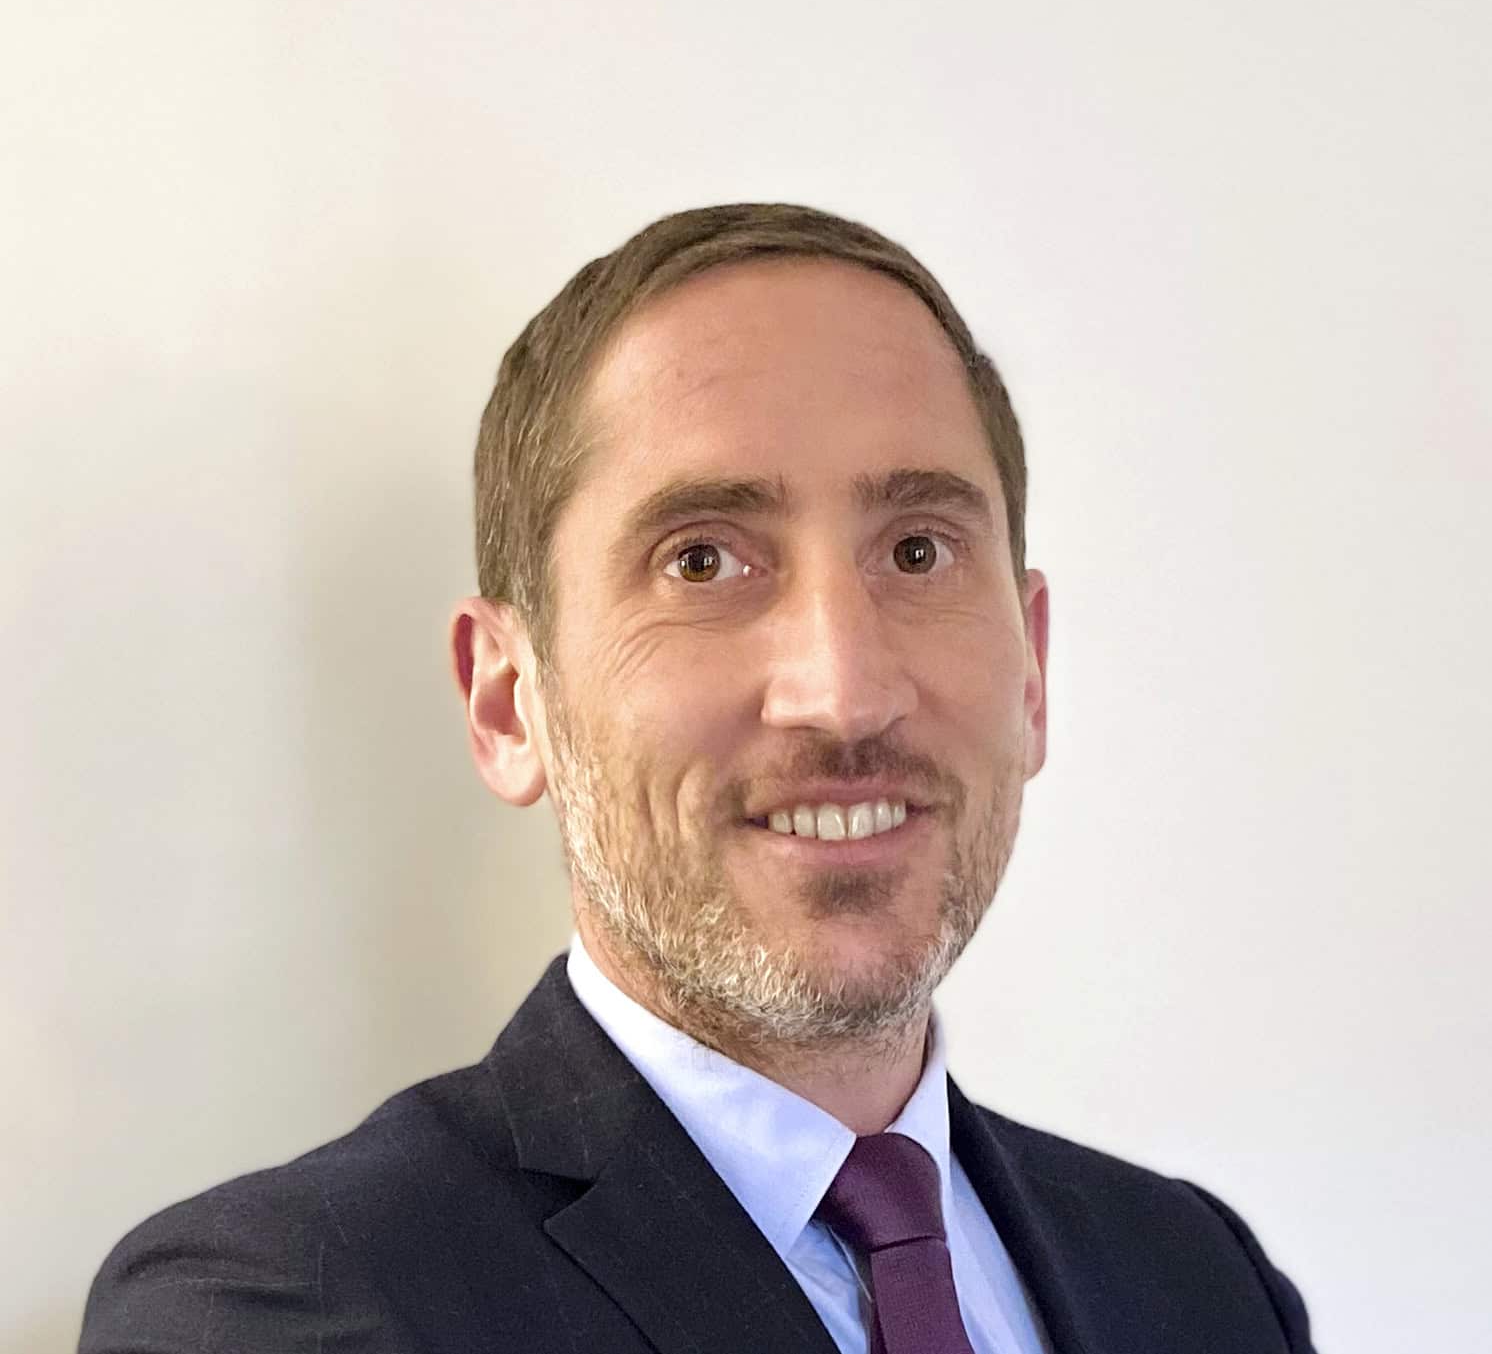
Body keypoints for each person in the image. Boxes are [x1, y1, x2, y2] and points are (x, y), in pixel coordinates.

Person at [79, 203, 1317, 1353]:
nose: (843, 691)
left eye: (917, 550)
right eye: (703, 562)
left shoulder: (1201, 1282)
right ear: (508, 702)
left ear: (1031, 669)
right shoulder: (283, 1306)